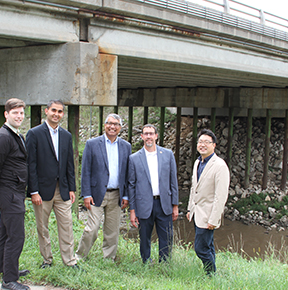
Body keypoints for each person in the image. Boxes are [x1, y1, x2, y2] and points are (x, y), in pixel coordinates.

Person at [0, 98, 30, 290]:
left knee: (5, 232)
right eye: (15, 113)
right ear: (6, 114)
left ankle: (6, 269)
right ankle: (9, 281)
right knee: (16, 235)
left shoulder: (15, 135)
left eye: (21, 113)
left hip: (14, 190)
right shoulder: (3, 137)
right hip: (9, 191)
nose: (19, 116)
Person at [26, 100, 78, 269]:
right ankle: (47, 260)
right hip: (41, 191)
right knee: (43, 227)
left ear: (63, 114)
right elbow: (30, 165)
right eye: (53, 110)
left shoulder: (66, 135)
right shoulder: (34, 134)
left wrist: (72, 188)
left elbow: (70, 164)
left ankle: (70, 261)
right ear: (46, 111)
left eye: (60, 111)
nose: (56, 114)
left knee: (67, 226)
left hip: (62, 190)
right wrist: (33, 191)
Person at [76, 114, 131, 261]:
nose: (112, 127)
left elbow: (127, 173)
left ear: (120, 128)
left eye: (116, 124)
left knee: (112, 230)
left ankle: (109, 258)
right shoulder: (92, 144)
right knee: (92, 229)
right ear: (104, 125)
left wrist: (126, 195)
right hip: (96, 194)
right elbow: (86, 170)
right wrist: (86, 194)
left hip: (117, 194)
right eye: (109, 123)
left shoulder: (126, 146)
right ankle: (79, 256)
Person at [128, 124, 179, 263]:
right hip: (143, 203)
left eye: (151, 133)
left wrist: (175, 205)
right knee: (144, 236)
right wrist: (132, 210)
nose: (149, 136)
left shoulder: (167, 154)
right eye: (146, 133)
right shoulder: (134, 158)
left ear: (156, 136)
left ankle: (165, 262)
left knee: (166, 236)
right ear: (142, 136)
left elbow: (173, 181)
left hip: (164, 203)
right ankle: (146, 261)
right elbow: (131, 185)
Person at [186, 129, 230, 276]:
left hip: (208, 215)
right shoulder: (198, 162)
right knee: (208, 245)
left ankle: (210, 273)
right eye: (200, 142)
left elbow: (221, 195)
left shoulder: (220, 166)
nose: (202, 145)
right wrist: (190, 209)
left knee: (200, 248)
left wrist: (214, 218)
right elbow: (194, 188)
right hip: (197, 212)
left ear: (214, 145)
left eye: (207, 142)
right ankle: (212, 274)